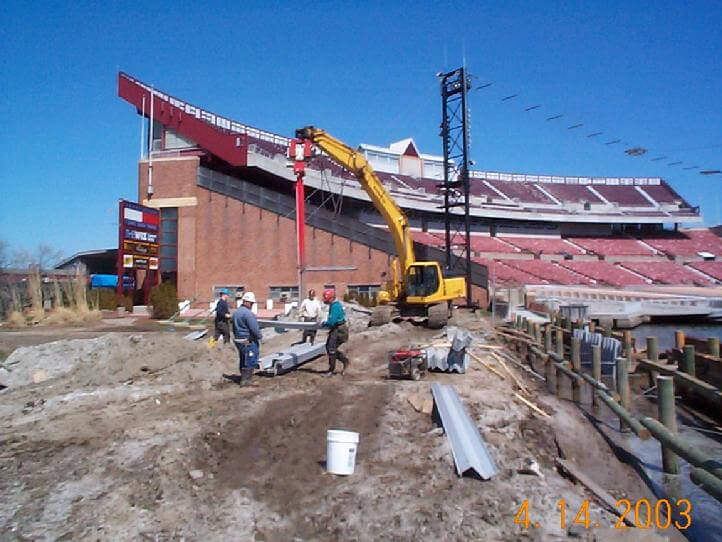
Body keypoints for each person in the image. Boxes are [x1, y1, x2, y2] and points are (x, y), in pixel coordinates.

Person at [232, 291, 262, 386]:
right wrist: (259, 336)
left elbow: (233, 327)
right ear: (246, 302)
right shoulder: (248, 314)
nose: (252, 305)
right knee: (251, 358)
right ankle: (246, 381)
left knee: (243, 358)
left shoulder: (236, 312)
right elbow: (254, 328)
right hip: (248, 340)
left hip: (238, 339)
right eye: (251, 303)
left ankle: (243, 377)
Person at [320, 288, 350, 376]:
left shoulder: (335, 306)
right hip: (337, 328)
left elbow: (331, 322)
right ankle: (345, 361)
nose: (325, 301)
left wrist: (324, 324)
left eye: (326, 299)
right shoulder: (334, 305)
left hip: (339, 329)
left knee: (331, 349)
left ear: (331, 298)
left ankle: (332, 370)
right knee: (329, 347)